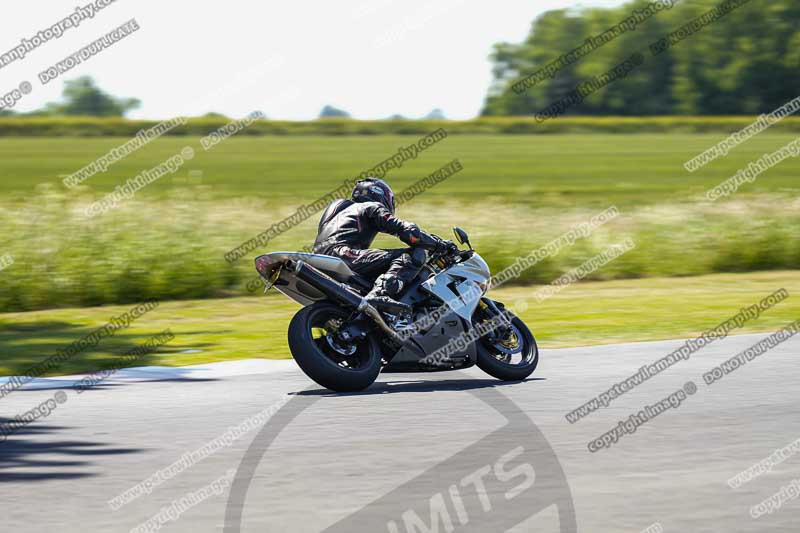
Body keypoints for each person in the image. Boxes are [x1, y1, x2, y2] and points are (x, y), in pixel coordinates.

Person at [312, 177, 457, 313]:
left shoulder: (340, 212)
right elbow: (409, 232)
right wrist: (440, 245)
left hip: (320, 258)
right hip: (343, 255)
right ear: (379, 194)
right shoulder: (370, 206)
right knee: (413, 253)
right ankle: (380, 294)